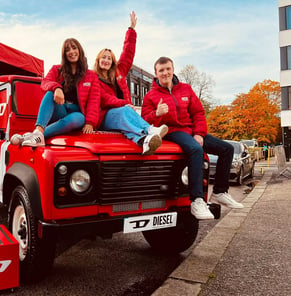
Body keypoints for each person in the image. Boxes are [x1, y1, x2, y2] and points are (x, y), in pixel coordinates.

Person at [141, 56, 243, 220]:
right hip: (172, 132)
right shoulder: (151, 95)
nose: (165, 73)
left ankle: (219, 192)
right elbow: (145, 121)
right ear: (156, 74)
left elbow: (198, 113)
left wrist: (199, 133)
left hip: (192, 131)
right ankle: (197, 200)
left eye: (168, 69)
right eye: (161, 70)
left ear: (173, 70)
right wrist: (157, 114)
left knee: (227, 149)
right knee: (195, 150)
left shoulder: (185, 89)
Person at [93, 11, 168, 155]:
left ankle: (144, 141)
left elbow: (128, 52)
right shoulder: (93, 78)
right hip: (104, 117)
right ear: (98, 60)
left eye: (109, 58)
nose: (106, 60)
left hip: (122, 114)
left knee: (128, 127)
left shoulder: (119, 72)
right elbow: (104, 98)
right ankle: (150, 129)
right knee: (126, 110)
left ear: (112, 61)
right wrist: (123, 104)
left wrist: (131, 29)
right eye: (103, 57)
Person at [11, 38, 100, 146]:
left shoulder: (91, 76)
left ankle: (35, 135)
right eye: (67, 50)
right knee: (50, 93)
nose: (71, 52)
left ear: (79, 50)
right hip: (60, 108)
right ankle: (38, 130)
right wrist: (57, 88)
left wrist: (90, 123)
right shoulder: (56, 69)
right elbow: (45, 82)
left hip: (77, 114)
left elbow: (94, 100)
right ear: (64, 54)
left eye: (74, 48)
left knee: (75, 119)